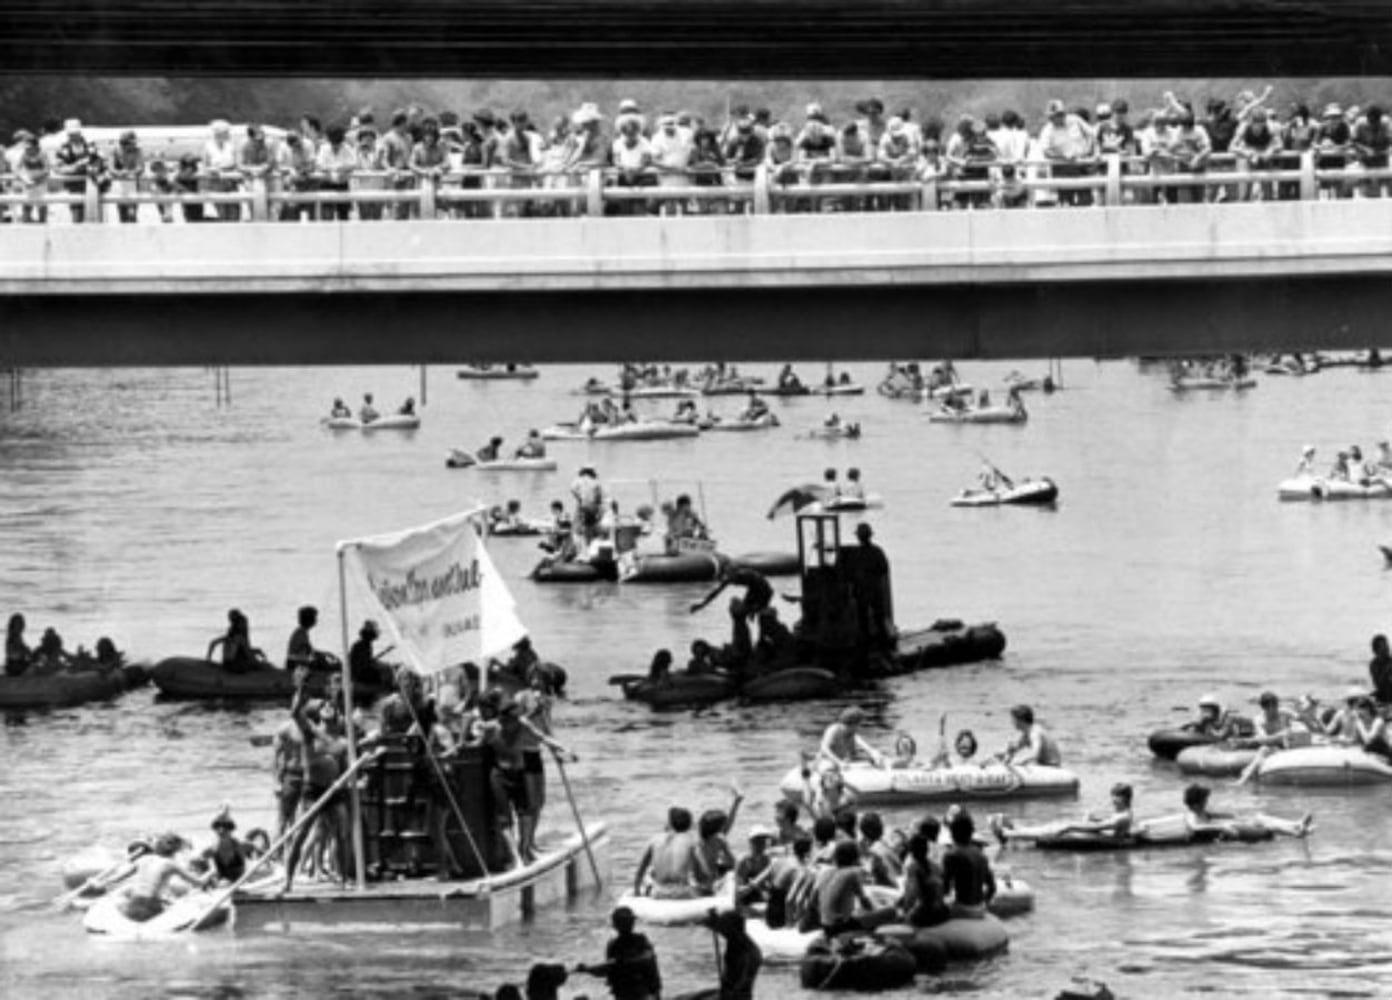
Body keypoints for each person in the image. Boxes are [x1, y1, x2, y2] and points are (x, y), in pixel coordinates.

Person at [1137, 784, 1312, 841]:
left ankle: (1295, 824)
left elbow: (1218, 815)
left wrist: (1235, 815)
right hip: (1227, 833)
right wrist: (1222, 826)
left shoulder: (1203, 812)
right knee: (1265, 827)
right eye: (1204, 800)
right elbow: (1196, 828)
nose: (1207, 803)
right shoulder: (1191, 816)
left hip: (1230, 827)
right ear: (1196, 803)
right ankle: (1296, 833)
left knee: (1259, 817)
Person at [992, 783, 1135, 844]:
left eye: (1116, 797)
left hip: (1102, 840)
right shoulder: (1122, 813)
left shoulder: (1122, 817)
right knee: (1055, 825)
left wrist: (1070, 826)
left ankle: (1008, 834)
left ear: (1125, 798)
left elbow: (1098, 828)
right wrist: (1094, 818)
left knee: (1057, 830)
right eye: (1113, 796)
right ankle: (1018, 829)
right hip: (1102, 837)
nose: (1112, 800)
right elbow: (1104, 824)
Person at [117, 833, 213, 922]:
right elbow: (199, 883)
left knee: (122, 902)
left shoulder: (142, 859)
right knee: (179, 901)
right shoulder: (171, 864)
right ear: (175, 851)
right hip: (151, 910)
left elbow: (116, 879)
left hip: (131, 910)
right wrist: (214, 870)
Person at [575, 906, 662, 1000]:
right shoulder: (614, 945)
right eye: (625, 922)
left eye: (628, 922)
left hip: (642, 993)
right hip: (626, 994)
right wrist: (587, 969)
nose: (627, 925)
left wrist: (589, 969)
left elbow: (646, 960)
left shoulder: (641, 941)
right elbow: (609, 969)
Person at [632, 806, 710, 899]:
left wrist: (637, 891)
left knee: (649, 875)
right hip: (682, 893)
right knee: (706, 889)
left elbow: (640, 872)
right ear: (689, 825)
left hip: (658, 893)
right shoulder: (692, 842)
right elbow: (701, 877)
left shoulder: (654, 840)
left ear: (670, 824)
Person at [1233, 691, 1305, 785]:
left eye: (1276, 705)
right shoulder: (1259, 720)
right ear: (1265, 708)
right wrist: (1281, 735)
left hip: (1290, 744)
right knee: (1264, 750)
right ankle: (1243, 780)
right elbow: (1263, 739)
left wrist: (1303, 710)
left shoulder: (1284, 712)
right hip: (1274, 748)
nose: (1276, 709)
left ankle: (1246, 773)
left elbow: (1301, 719)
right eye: (1273, 707)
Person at [942, 811, 996, 917]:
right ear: (971, 833)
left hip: (961, 909)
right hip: (980, 908)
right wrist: (984, 904)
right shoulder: (981, 855)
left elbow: (945, 889)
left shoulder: (951, 855)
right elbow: (992, 888)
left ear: (952, 833)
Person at [898, 832, 950, 928]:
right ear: (926, 849)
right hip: (943, 912)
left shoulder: (913, 868)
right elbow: (944, 891)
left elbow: (910, 897)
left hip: (925, 915)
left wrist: (903, 910)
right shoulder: (936, 867)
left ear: (911, 851)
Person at [198, 808, 259, 883]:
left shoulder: (242, 845)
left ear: (231, 828)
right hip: (224, 886)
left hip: (242, 883)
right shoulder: (210, 851)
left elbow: (262, 854)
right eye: (217, 826)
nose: (221, 830)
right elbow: (197, 862)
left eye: (226, 826)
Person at [689, 564, 772, 618]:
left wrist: (754, 608)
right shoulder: (728, 579)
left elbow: (761, 589)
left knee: (756, 611)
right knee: (744, 610)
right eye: (728, 576)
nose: (730, 579)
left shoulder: (745, 575)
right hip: (755, 588)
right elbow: (716, 593)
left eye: (731, 576)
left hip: (765, 589)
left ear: (735, 573)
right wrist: (702, 604)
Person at [818, 706, 888, 769]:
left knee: (869, 763)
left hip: (842, 763)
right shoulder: (834, 729)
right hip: (826, 763)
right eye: (859, 724)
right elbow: (825, 748)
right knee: (829, 766)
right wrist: (839, 763)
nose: (859, 727)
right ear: (853, 723)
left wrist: (872, 755)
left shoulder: (852, 734)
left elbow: (860, 748)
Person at [286, 605, 336, 672]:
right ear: (310, 620)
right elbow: (293, 655)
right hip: (297, 665)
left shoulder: (302, 632)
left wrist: (325, 653)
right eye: (315, 617)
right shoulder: (300, 635)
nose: (316, 620)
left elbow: (309, 651)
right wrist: (313, 659)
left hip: (300, 663)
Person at [348, 618, 389, 689]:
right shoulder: (362, 645)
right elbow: (363, 665)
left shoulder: (363, 644)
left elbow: (366, 661)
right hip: (359, 675)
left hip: (358, 672)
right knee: (383, 675)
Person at [571, 466, 606, 543]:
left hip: (581, 507)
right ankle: (591, 542)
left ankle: (580, 543)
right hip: (592, 507)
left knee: (578, 528)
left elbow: (572, 490)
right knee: (592, 526)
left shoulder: (577, 481)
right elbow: (599, 497)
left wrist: (579, 499)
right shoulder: (596, 483)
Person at [4, 613, 32, 677]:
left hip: (17, 664)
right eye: (16, 624)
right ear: (12, 625)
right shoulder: (13, 636)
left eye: (19, 623)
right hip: (14, 666)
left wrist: (26, 651)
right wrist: (25, 652)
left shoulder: (17, 636)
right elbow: (11, 654)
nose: (18, 626)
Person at [1370, 634, 1392, 705]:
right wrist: (1388, 669)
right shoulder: (1374, 664)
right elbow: (1379, 684)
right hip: (1383, 697)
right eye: (1384, 647)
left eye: (1387, 646)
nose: (1387, 648)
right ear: (1376, 651)